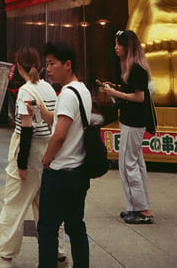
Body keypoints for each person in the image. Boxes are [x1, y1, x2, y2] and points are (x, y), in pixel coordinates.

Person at [0, 47, 66, 268]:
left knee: (15, 204)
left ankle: (5, 254)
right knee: (47, 206)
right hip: (48, 151)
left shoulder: (25, 91)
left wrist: (21, 164)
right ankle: (58, 252)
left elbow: (26, 129)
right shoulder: (49, 89)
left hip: (29, 151)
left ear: (18, 66)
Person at [37, 42, 91, 268]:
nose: (48, 69)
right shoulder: (82, 90)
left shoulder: (68, 94)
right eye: (46, 64)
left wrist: (46, 159)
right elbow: (62, 121)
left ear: (67, 65)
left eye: (52, 64)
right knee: (75, 225)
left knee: (47, 228)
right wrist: (43, 110)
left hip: (61, 173)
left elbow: (59, 135)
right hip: (79, 171)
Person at [100, 30, 154, 224]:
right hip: (133, 121)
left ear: (127, 46)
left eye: (118, 44)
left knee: (128, 164)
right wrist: (116, 88)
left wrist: (115, 92)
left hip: (133, 121)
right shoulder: (132, 67)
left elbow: (139, 97)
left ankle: (142, 210)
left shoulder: (136, 69)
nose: (115, 47)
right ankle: (137, 207)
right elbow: (134, 92)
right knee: (135, 163)